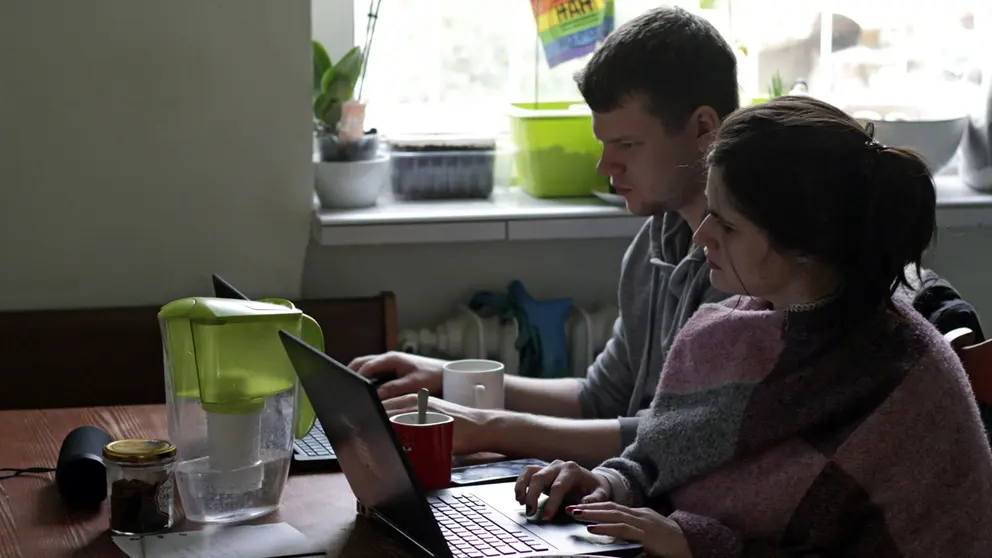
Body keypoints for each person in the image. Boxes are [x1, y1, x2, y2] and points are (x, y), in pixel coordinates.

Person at [514, 95, 992, 557]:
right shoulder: (729, 331)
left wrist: (695, 544)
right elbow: (657, 460)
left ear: (804, 245)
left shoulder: (906, 387)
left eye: (726, 224)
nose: (701, 236)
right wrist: (607, 484)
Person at [349, 6, 738, 467]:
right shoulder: (652, 246)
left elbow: (683, 437)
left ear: (702, 129)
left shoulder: (746, 265)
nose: (605, 166)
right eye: (603, 143)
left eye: (626, 145)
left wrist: (490, 427)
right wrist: (446, 377)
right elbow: (599, 398)